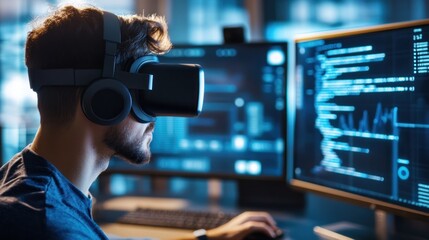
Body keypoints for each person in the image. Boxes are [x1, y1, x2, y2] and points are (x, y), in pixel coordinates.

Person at [0, 4, 283, 240]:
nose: (155, 117)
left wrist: (208, 237)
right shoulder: (50, 226)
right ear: (106, 99)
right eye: (145, 95)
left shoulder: (27, 178)